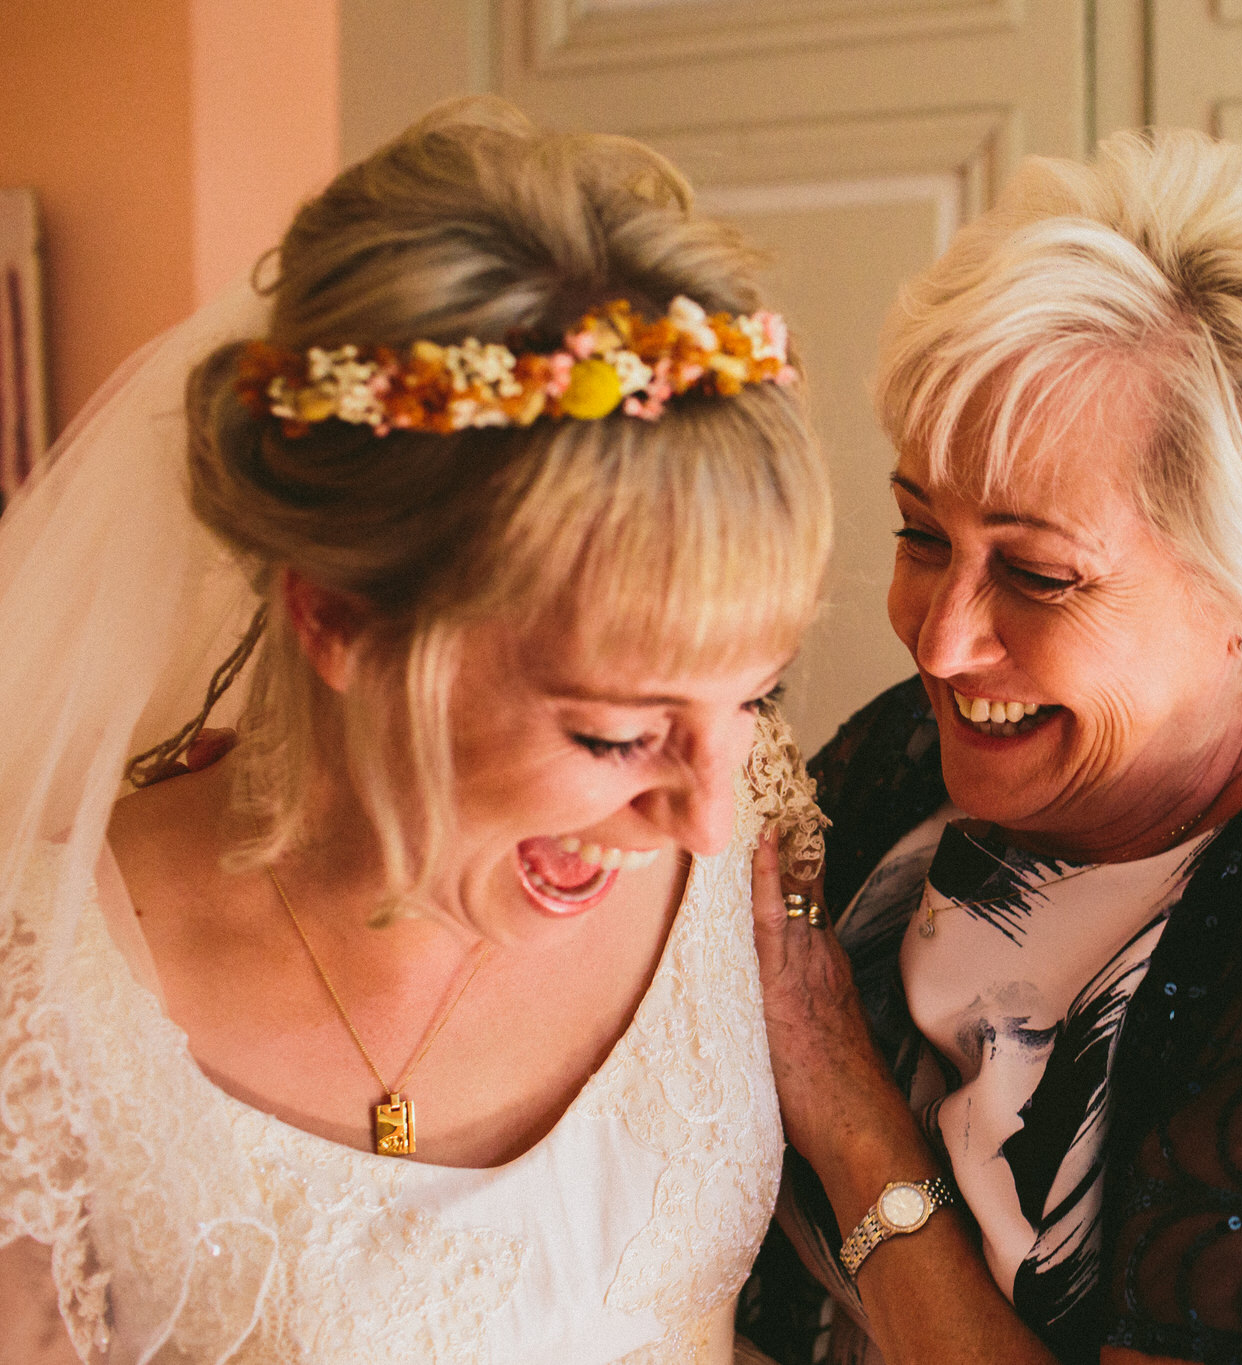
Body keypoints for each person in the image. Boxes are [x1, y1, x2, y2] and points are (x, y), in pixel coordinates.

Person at [0, 99, 830, 1362]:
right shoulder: (48, 986)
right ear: (336, 621)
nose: (709, 813)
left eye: (748, 696)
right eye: (613, 737)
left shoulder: (748, 835)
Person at [740, 130, 1242, 1365]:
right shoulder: (907, 760)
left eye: (1038, 575)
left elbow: (814, 1071)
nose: (941, 643)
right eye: (918, 535)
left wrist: (852, 1125)